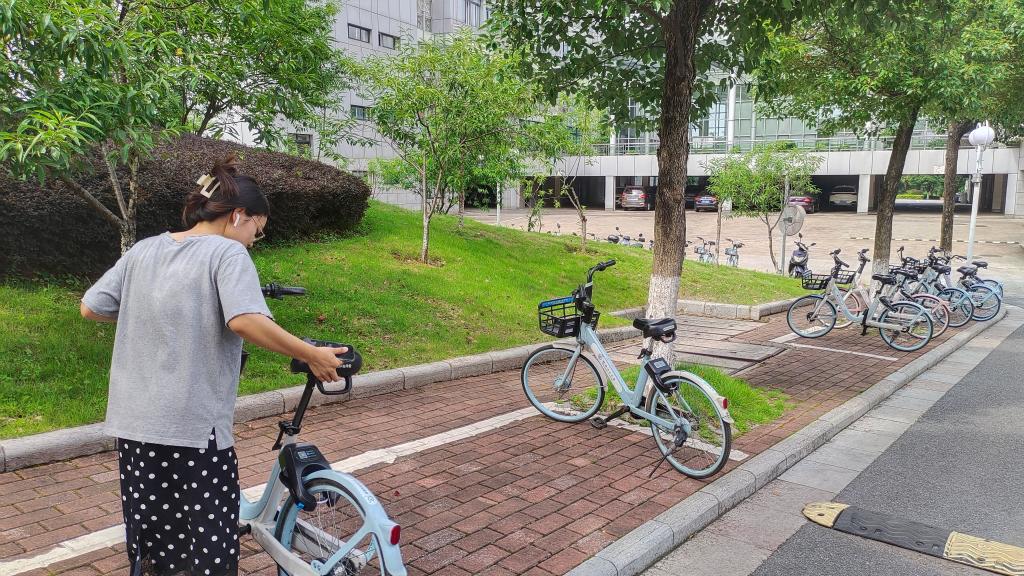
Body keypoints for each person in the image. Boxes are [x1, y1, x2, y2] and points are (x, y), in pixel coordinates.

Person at [80, 153, 344, 575]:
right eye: (257, 230)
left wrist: (154, 313)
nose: (253, 241)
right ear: (238, 215)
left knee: (156, 544)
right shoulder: (226, 253)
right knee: (207, 546)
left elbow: (92, 307)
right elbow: (245, 319)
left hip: (133, 425)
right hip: (192, 426)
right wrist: (310, 353)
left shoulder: (144, 250)